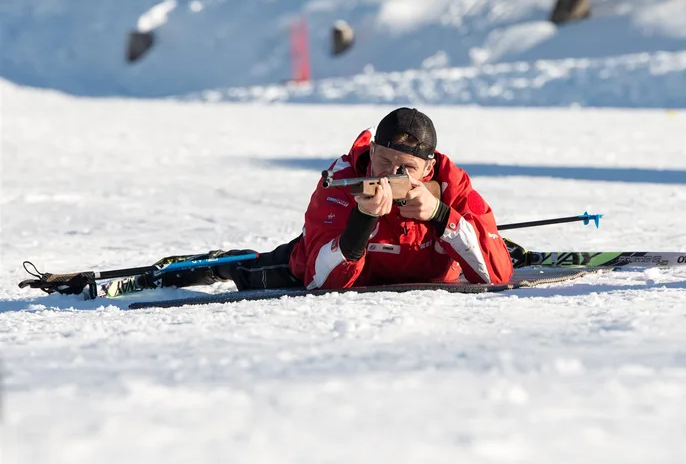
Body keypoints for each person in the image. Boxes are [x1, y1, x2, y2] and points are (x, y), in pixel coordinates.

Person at [23, 108, 514, 295]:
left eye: (404, 167)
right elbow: (321, 280)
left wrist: (442, 216)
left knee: (482, 240)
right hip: (321, 262)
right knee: (247, 270)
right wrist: (364, 220)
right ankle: (169, 272)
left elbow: (495, 275)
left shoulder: (451, 186)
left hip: (426, 257)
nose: (389, 174)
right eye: (382, 160)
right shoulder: (344, 180)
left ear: (427, 169)